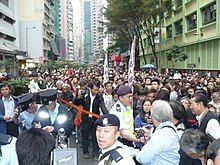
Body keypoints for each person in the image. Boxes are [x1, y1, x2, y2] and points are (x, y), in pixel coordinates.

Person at [136, 100, 180, 165]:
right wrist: (151, 136)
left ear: (154, 116)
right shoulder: (170, 128)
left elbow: (143, 159)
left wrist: (138, 153)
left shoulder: (161, 135)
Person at [74, 81, 108, 160]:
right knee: (85, 136)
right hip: (86, 119)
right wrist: (79, 97)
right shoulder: (85, 95)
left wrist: (107, 116)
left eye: (97, 90)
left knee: (95, 137)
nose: (96, 92)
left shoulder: (99, 97)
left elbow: (103, 107)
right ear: (90, 89)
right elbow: (76, 103)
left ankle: (95, 153)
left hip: (95, 120)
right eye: (94, 90)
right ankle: (85, 151)